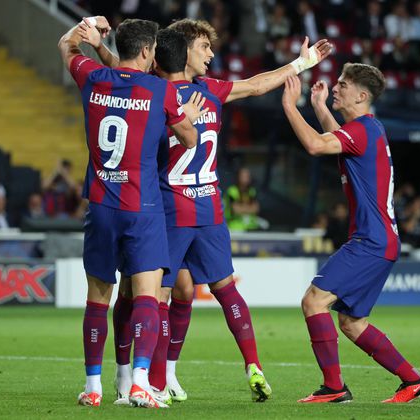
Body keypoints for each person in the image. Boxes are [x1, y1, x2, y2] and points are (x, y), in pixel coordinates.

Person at [81, 16, 332, 404]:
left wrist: (99, 48)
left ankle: (145, 378)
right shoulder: (204, 91)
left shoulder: (158, 89)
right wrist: (301, 63)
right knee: (201, 289)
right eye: (203, 47)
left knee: (145, 294)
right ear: (181, 52)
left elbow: (122, 73)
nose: (211, 54)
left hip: (163, 208)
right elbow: (256, 85)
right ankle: (182, 373)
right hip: (201, 208)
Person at [58, 17, 203, 409]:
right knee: (147, 296)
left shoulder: (93, 77)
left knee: (97, 298)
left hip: (101, 204)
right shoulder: (160, 90)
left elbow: (65, 46)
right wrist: (184, 118)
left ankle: (93, 387)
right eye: (153, 48)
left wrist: (86, 26)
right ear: (146, 51)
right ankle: (140, 383)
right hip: (142, 207)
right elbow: (190, 139)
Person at [281, 63, 420, 403]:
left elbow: (316, 145)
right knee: (352, 322)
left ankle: (334, 388)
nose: (335, 87)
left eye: (343, 84)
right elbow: (336, 139)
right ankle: (414, 382)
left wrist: (290, 106)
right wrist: (319, 107)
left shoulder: (363, 130)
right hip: (381, 239)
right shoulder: (366, 129)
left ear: (362, 96)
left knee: (314, 301)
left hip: (371, 240)